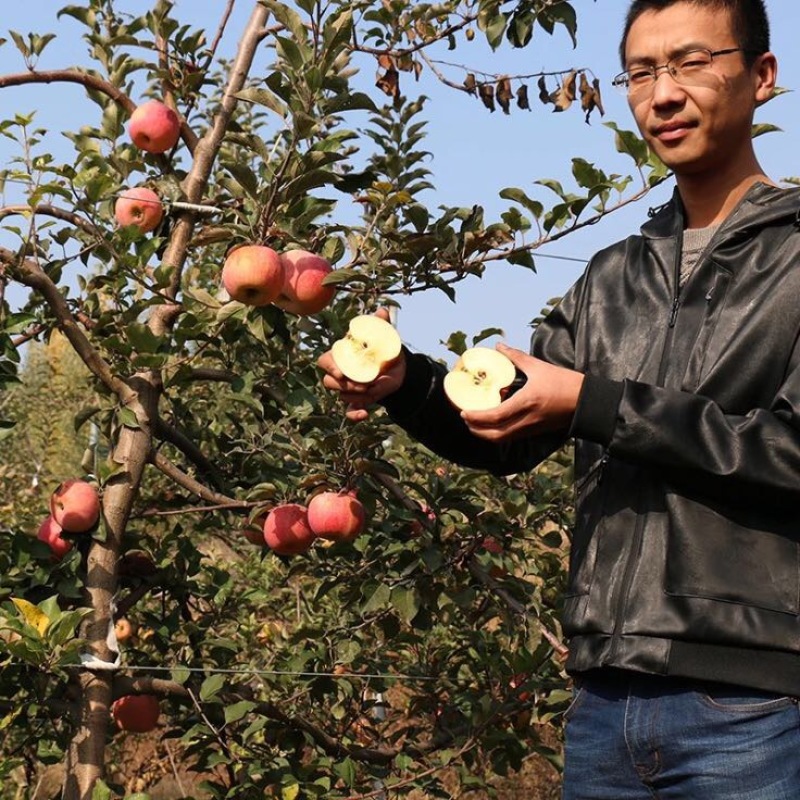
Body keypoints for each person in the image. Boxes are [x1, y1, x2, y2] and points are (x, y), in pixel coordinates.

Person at [319, 0, 800, 796]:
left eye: (690, 63)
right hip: (604, 704)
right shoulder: (614, 276)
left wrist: (596, 403)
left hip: (753, 703)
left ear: (762, 76)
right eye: (642, 72)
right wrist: (410, 383)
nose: (663, 93)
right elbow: (506, 435)